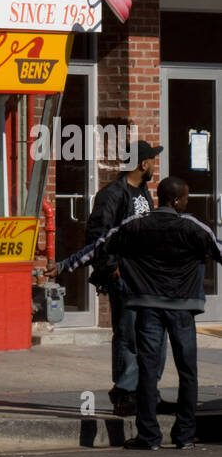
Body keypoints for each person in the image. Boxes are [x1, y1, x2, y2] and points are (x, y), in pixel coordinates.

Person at [48, 176, 222, 450]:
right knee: (188, 371)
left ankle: (149, 436)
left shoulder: (135, 225)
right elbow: (220, 250)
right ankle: (184, 435)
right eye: (186, 198)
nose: (187, 203)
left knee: (148, 370)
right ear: (176, 201)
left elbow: (97, 248)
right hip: (182, 310)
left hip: (148, 307)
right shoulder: (193, 227)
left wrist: (63, 266)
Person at [85, 138, 162, 416]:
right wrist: (111, 267)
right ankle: (125, 393)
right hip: (125, 277)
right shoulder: (112, 195)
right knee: (127, 334)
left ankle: (148, 391)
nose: (154, 164)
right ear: (143, 163)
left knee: (151, 335)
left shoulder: (142, 192)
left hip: (146, 278)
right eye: (152, 159)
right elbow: (97, 235)